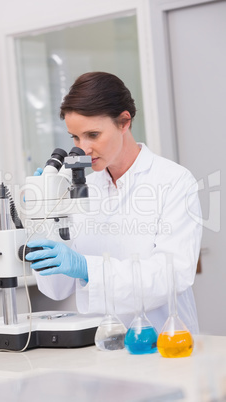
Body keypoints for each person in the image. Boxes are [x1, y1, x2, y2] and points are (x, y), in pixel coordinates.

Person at [26, 72, 202, 333]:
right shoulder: (81, 189)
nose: (83, 149)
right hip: (97, 343)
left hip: (162, 342)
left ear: (124, 122)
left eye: (93, 135)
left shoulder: (174, 181)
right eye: (75, 137)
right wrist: (44, 217)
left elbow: (172, 274)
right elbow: (56, 289)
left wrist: (87, 268)